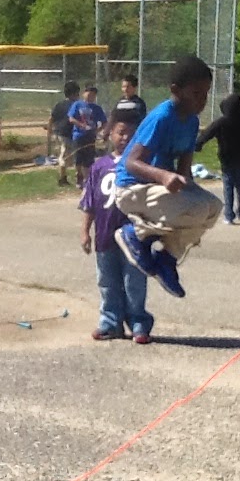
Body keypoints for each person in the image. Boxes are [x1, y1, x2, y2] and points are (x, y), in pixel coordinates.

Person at [112, 56, 224, 299]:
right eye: (196, 93)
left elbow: (184, 168)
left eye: (206, 93)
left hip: (156, 188)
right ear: (176, 90)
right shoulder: (162, 117)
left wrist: (186, 186)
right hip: (131, 188)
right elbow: (131, 162)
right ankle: (135, 234)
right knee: (194, 209)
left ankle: (166, 258)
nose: (202, 100)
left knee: (213, 207)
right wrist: (164, 176)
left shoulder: (192, 122)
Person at [79, 110, 153, 344]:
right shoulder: (98, 166)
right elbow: (89, 203)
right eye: (121, 132)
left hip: (133, 236)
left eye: (131, 135)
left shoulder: (142, 166)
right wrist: (85, 232)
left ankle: (138, 323)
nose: (125, 138)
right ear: (110, 133)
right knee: (107, 282)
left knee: (134, 283)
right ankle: (110, 322)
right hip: (104, 235)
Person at [196, 93, 240, 225]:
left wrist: (198, 144)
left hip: (226, 158)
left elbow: (207, 134)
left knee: (228, 185)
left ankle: (229, 215)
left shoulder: (221, 122)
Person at [67, 84, 108, 189]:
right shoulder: (77, 104)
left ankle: (87, 180)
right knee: (78, 158)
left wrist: (97, 130)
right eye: (89, 94)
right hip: (78, 135)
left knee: (88, 159)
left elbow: (104, 122)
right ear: (84, 93)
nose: (91, 97)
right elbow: (71, 118)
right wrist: (81, 125)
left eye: (93, 95)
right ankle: (78, 175)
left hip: (90, 136)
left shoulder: (97, 108)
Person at [47, 80, 80, 186]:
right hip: (67, 133)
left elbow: (51, 119)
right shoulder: (75, 105)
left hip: (58, 133)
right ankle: (63, 178)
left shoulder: (59, 104)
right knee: (67, 156)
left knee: (66, 155)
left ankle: (68, 176)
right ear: (74, 94)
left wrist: (50, 130)